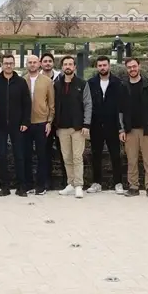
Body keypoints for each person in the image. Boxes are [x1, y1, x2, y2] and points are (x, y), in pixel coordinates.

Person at [118, 57, 148, 198]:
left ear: (139, 66)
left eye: (134, 66)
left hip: (147, 129)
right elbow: (119, 110)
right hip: (130, 129)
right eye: (129, 67)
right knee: (132, 160)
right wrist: (121, 129)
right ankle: (133, 186)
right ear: (126, 69)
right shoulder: (122, 86)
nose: (132, 69)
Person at [0, 54, 30, 196]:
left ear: (14, 65)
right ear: (1, 65)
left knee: (19, 155)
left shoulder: (21, 82)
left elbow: (27, 104)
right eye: (6, 63)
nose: (8, 65)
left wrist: (25, 122)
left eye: (11, 63)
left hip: (18, 125)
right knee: (1, 155)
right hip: (0, 125)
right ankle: (5, 186)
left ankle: (21, 186)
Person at [53, 55, 90, 198]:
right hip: (62, 127)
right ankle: (70, 183)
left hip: (78, 127)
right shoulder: (57, 85)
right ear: (62, 67)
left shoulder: (82, 84)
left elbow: (88, 105)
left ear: (75, 67)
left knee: (77, 157)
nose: (68, 66)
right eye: (65, 64)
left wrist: (86, 124)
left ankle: (79, 185)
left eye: (70, 64)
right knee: (66, 157)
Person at [86, 55, 124, 194]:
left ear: (109, 66)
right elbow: (88, 104)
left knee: (115, 155)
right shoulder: (91, 83)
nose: (102, 67)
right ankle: (96, 183)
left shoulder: (118, 83)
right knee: (95, 155)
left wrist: (121, 127)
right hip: (96, 125)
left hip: (113, 125)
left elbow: (121, 106)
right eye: (100, 65)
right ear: (97, 67)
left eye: (104, 65)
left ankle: (118, 183)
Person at [23, 54, 55, 195]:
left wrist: (50, 121)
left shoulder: (47, 81)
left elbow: (51, 103)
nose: (32, 64)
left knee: (42, 155)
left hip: (42, 122)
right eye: (30, 62)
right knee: (26, 155)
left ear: (39, 64)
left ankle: (41, 185)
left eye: (35, 62)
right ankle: (29, 184)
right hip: (26, 123)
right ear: (27, 64)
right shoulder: (22, 80)